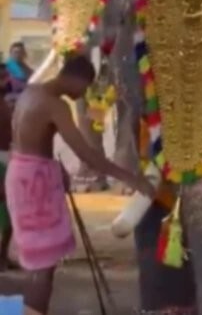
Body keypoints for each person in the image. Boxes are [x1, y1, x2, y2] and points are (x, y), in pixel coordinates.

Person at [7, 55, 155, 314]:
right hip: (35, 185)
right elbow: (87, 154)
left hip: (21, 175)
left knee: (36, 262)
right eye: (86, 87)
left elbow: (28, 141)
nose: (84, 94)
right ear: (76, 79)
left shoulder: (31, 92)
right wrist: (131, 178)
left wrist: (53, 166)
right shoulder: (56, 105)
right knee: (42, 269)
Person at [0, 64, 14, 271]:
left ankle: (3, 255)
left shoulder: (5, 102)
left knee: (10, 211)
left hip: (7, 157)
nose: (5, 81)